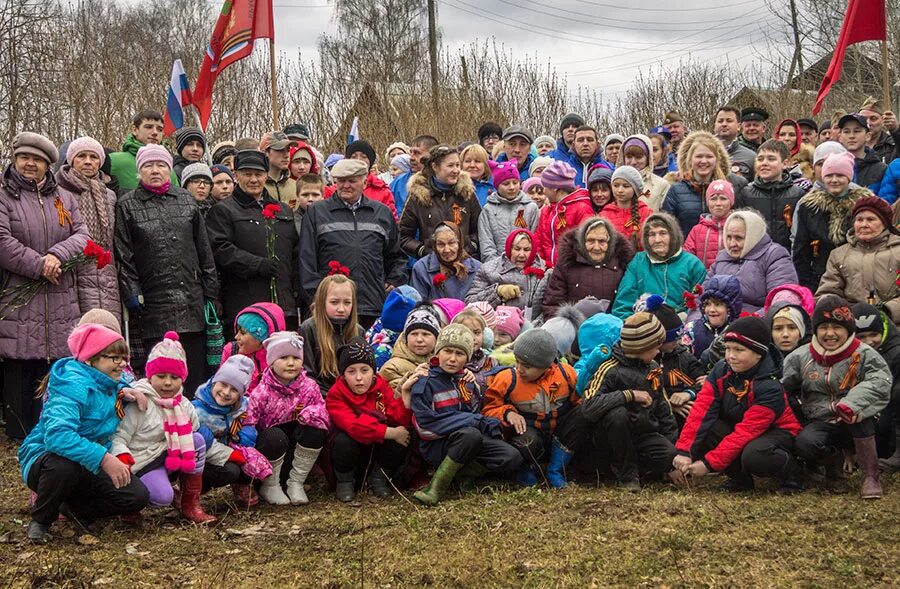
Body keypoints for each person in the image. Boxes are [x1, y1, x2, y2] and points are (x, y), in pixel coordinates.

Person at [18, 324, 150, 543]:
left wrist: (129, 390)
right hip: (45, 458)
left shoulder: (110, 383)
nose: (122, 364)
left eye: (123, 358)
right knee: (63, 466)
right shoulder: (71, 386)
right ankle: (41, 520)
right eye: (114, 358)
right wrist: (104, 458)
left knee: (136, 496)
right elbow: (57, 437)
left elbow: (119, 385)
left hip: (87, 461)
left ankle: (71, 507)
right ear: (91, 359)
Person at [0, 132, 89, 439]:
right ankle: (18, 430)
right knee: (19, 357)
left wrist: (56, 256)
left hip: (60, 291)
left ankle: (52, 426)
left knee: (54, 360)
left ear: (48, 165)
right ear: (15, 159)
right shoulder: (3, 194)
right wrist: (39, 264)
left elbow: (82, 236)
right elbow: (2, 241)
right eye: (25, 157)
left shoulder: (63, 197)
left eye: (37, 160)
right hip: (19, 290)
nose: (30, 164)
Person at [114, 143, 219, 388]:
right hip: (153, 304)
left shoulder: (185, 200)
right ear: (140, 171)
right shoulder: (127, 204)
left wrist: (211, 290)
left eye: (160, 165)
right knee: (161, 374)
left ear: (169, 169)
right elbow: (124, 254)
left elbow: (204, 250)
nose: (155, 170)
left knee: (193, 373)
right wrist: (132, 291)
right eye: (148, 166)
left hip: (191, 299)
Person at [673, 317, 803, 492]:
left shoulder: (770, 387)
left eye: (739, 350)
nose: (730, 356)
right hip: (740, 425)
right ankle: (740, 480)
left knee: (755, 455)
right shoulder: (721, 370)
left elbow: (746, 432)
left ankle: (793, 474)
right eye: (727, 349)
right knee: (710, 428)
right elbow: (701, 410)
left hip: (777, 432)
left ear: (758, 353)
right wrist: (684, 451)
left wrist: (709, 464)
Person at [784, 296, 891, 499]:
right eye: (824, 327)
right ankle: (833, 464)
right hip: (820, 418)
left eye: (837, 327)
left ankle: (870, 476)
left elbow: (879, 382)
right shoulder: (800, 357)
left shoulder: (865, 354)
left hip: (857, 420)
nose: (830, 333)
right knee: (805, 443)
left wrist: (850, 404)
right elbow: (785, 386)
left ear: (849, 329)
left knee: (860, 418)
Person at [411, 325, 523, 505]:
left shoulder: (466, 381)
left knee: (512, 457)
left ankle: (461, 473)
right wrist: (472, 420)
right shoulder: (426, 381)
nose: (453, 359)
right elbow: (425, 428)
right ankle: (436, 487)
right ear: (438, 352)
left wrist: (477, 392)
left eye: (460, 354)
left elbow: (474, 413)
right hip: (438, 445)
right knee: (470, 434)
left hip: (470, 441)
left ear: (468, 357)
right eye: (448, 351)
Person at [110, 332, 215, 523]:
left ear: (182, 379)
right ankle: (133, 502)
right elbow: (119, 436)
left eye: (174, 377)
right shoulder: (140, 402)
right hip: (141, 461)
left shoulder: (183, 404)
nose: (168, 382)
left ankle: (190, 502)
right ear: (150, 376)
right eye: (161, 376)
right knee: (162, 497)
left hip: (168, 456)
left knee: (199, 439)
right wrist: (123, 457)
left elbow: (197, 435)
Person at [575, 312, 679, 490]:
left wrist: (672, 462)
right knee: (618, 415)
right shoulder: (609, 369)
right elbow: (588, 405)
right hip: (612, 439)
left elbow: (664, 409)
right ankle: (626, 476)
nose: (658, 351)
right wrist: (629, 395)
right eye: (655, 347)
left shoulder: (653, 368)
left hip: (643, 435)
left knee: (668, 454)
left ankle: (632, 470)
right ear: (641, 348)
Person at [300, 158, 408, 326]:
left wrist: (394, 281)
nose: (346, 185)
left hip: (372, 305)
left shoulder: (382, 213)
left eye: (352, 181)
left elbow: (396, 256)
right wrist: (315, 297)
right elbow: (306, 259)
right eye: (341, 181)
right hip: (331, 306)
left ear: (364, 182)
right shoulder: (317, 212)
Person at [205, 150, 301, 331]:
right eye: (247, 174)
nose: (254, 180)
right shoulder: (223, 211)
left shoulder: (283, 211)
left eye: (258, 174)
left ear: (266, 175)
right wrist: (256, 264)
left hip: (283, 304)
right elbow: (220, 249)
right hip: (246, 304)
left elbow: (295, 253)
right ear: (236, 175)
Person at [482, 328, 581, 488]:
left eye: (527, 366)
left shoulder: (566, 374)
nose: (519, 369)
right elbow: (488, 408)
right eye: (517, 361)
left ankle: (555, 469)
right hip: (529, 430)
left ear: (546, 364)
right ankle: (525, 467)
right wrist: (507, 413)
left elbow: (578, 403)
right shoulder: (508, 379)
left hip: (559, 432)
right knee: (528, 441)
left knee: (581, 418)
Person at [243, 331, 330, 505]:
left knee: (316, 430)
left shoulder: (310, 387)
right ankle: (270, 485)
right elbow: (249, 424)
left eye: (296, 358)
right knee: (275, 436)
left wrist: (310, 414)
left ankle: (296, 482)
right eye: (283, 358)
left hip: (295, 449)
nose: (291, 363)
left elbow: (323, 410)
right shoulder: (261, 392)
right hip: (270, 452)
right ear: (272, 361)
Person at [327, 340, 413, 502]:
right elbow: (352, 425)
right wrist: (390, 432)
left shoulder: (381, 387)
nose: (359, 378)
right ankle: (345, 481)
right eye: (351, 371)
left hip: (375, 451)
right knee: (343, 440)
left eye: (365, 370)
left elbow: (394, 415)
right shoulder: (336, 394)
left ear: (373, 373)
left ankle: (379, 477)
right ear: (343, 375)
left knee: (404, 434)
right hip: (352, 452)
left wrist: (405, 399)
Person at [192, 354, 277, 509]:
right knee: (230, 471)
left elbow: (250, 423)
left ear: (241, 394)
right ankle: (197, 486)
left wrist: (246, 435)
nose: (226, 392)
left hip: (232, 448)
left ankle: (243, 484)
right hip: (205, 457)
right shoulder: (196, 409)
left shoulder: (244, 407)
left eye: (234, 390)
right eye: (223, 385)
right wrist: (202, 437)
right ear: (214, 381)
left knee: (252, 452)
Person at [55, 136, 121, 322]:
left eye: (93, 157)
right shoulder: (58, 192)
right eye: (81, 156)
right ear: (71, 160)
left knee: (106, 333)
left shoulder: (109, 195)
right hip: (73, 272)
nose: (87, 161)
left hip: (106, 274)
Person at [793, 151, 871, 291]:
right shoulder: (809, 206)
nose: (834, 180)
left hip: (858, 278)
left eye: (840, 175)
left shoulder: (865, 205)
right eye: (829, 175)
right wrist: (808, 285)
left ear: (849, 177)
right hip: (819, 279)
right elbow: (801, 251)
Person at [816, 196, 900, 323]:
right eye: (859, 220)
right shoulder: (839, 254)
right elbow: (828, 292)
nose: (864, 225)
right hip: (850, 323)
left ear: (884, 223)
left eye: (871, 219)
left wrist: (887, 310)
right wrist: (842, 312)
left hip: (894, 324)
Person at [611, 212, 706, 318]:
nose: (657, 240)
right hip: (644, 326)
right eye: (651, 234)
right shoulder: (638, 262)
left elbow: (700, 305)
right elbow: (622, 306)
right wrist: (634, 326)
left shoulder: (692, 264)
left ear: (673, 235)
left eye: (663, 233)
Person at [399, 144, 482, 260]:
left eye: (458, 165)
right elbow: (403, 236)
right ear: (435, 167)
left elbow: (480, 230)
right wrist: (423, 251)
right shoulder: (418, 197)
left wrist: (469, 247)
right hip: (432, 266)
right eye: (450, 166)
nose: (456, 170)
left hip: (465, 262)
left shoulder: (466, 193)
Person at [706, 209, 797, 314]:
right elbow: (702, 297)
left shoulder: (774, 256)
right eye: (728, 237)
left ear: (753, 236)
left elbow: (780, 302)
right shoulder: (722, 257)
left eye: (738, 238)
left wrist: (751, 322)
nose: (732, 244)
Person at [542, 217, 634, 318]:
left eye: (602, 241)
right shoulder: (567, 264)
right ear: (582, 241)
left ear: (610, 243)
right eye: (590, 241)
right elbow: (553, 305)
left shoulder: (623, 264)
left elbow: (629, 304)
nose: (596, 247)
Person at [662, 131, 748, 235]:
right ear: (690, 160)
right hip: (687, 249)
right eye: (699, 156)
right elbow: (667, 227)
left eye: (709, 157)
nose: (703, 161)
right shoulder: (676, 190)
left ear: (716, 159)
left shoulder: (733, 186)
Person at [851, 303, 900, 472]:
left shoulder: (896, 353)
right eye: (861, 336)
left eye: (874, 334)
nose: (869, 342)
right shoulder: (847, 357)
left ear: (883, 331)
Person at [299, 275, 366, 396]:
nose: (341, 309)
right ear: (321, 302)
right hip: (320, 397)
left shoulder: (358, 331)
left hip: (352, 396)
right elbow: (307, 375)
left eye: (347, 303)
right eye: (334, 302)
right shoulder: (308, 328)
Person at [735, 140, 806, 250]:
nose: (764, 163)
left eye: (771, 159)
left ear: (785, 163)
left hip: (787, 256)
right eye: (760, 159)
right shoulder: (746, 193)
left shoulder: (797, 194)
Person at [466, 229, 549, 321]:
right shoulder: (489, 269)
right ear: (509, 248)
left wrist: (532, 329)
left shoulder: (545, 272)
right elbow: (470, 303)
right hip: (497, 329)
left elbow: (551, 307)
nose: (521, 254)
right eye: (517, 249)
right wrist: (497, 292)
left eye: (526, 250)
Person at [478, 159, 540, 262]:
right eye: (506, 184)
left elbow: (536, 240)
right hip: (497, 268)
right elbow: (486, 245)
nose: (511, 187)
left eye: (515, 183)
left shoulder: (531, 208)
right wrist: (497, 267)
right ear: (497, 186)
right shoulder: (488, 210)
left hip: (525, 266)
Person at [534, 161, 594, 267]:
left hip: (570, 271)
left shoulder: (582, 209)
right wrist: (543, 265)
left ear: (555, 188)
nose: (543, 191)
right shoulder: (546, 211)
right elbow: (539, 241)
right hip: (547, 270)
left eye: (545, 187)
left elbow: (584, 245)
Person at [220, 303, 285, 393]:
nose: (236, 337)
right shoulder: (231, 351)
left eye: (243, 333)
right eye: (237, 331)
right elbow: (220, 384)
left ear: (262, 338)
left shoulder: (279, 357)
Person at [324, 139, 398, 219]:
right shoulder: (333, 191)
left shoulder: (383, 191)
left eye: (364, 157)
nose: (358, 160)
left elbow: (390, 223)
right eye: (353, 156)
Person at [108, 110, 178, 192]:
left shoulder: (169, 169)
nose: (155, 132)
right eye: (148, 127)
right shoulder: (113, 160)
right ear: (134, 130)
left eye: (159, 129)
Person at [410, 222, 480, 300]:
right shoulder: (421, 269)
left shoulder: (477, 268)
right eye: (441, 244)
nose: (447, 250)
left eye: (451, 243)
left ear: (459, 243)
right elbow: (418, 306)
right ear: (434, 246)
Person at [682, 274, 742, 361]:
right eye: (708, 304)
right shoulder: (691, 329)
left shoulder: (739, 332)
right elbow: (683, 361)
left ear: (730, 308)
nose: (712, 310)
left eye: (718, 305)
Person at [599, 166, 652, 249]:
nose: (620, 190)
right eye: (616, 185)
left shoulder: (646, 213)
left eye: (626, 186)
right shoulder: (604, 215)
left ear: (635, 189)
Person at [684, 180, 733, 269]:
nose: (718, 203)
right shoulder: (697, 230)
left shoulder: (738, 228)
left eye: (723, 198)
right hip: (702, 280)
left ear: (731, 202)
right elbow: (687, 258)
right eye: (713, 199)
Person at [616, 134, 671, 211]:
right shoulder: (614, 184)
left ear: (648, 158)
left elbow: (666, 217)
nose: (633, 162)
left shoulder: (661, 185)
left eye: (639, 157)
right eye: (629, 157)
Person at [837, 113, 887, 194]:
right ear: (840, 137)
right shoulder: (833, 166)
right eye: (846, 132)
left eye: (857, 131)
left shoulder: (881, 169)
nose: (851, 136)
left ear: (868, 136)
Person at [390, 135, 438, 214]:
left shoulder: (442, 182)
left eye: (417, 153)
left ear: (431, 156)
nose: (411, 158)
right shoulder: (398, 183)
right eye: (411, 152)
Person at [714, 105, 757, 181]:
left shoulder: (751, 157)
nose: (724, 124)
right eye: (720, 121)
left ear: (739, 126)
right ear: (715, 125)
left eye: (729, 121)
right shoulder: (702, 154)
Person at [259, 131, 298, 205]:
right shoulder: (255, 185)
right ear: (265, 152)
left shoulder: (295, 186)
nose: (286, 155)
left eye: (288, 150)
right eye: (280, 150)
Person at [859, 96, 899, 163]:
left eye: (873, 118)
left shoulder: (892, 145)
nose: (868, 123)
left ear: (883, 120)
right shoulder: (852, 143)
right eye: (863, 118)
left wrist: (896, 130)